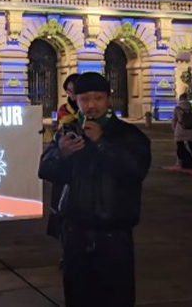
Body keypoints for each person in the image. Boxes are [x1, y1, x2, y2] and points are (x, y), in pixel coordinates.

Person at [38, 72, 152, 307]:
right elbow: (45, 170)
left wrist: (102, 143)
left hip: (113, 235)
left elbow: (135, 169)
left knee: (116, 298)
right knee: (78, 298)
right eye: (84, 99)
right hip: (76, 235)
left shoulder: (128, 134)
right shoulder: (68, 132)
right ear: (76, 100)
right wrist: (62, 154)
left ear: (109, 98)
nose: (91, 105)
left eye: (98, 98)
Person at [47, 74, 80, 253]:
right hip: (66, 168)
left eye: (75, 91)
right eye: (69, 91)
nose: (72, 94)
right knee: (63, 213)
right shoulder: (64, 110)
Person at [172, 94, 192, 169]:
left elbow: (174, 119)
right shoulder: (191, 108)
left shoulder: (177, 108)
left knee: (180, 146)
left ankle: (179, 162)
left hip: (181, 129)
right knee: (191, 146)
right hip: (190, 129)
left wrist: (174, 129)